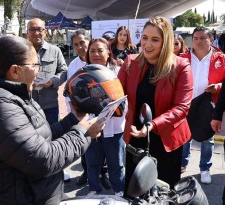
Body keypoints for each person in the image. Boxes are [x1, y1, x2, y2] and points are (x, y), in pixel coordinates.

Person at [0, 35, 104, 205]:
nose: (39, 71)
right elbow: (42, 160)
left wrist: (72, 120)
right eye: (35, 65)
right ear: (15, 71)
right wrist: (84, 133)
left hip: (38, 194)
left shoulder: (14, 94)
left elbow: (40, 138)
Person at [118, 16, 193, 193]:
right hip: (136, 137)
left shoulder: (181, 66)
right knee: (135, 191)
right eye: (144, 38)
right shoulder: (130, 62)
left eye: (155, 39)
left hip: (166, 140)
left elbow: (182, 107)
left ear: (166, 41)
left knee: (164, 193)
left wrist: (152, 125)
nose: (147, 44)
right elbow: (116, 96)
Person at [180, 26, 225, 184]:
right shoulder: (183, 58)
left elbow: (224, 83)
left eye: (202, 38)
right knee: (185, 136)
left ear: (211, 40)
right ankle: (182, 164)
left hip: (209, 104)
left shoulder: (221, 59)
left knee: (208, 139)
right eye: (195, 39)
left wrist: (217, 87)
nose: (198, 42)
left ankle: (205, 168)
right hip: (186, 103)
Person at [66, 30, 111, 189]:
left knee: (107, 150)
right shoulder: (73, 65)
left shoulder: (109, 65)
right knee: (88, 152)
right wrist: (74, 116)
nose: (79, 47)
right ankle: (88, 174)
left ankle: (104, 174)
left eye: (82, 43)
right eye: (76, 44)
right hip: (86, 117)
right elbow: (70, 92)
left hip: (108, 118)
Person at [84, 37, 126, 195]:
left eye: (100, 50)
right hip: (91, 127)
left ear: (109, 52)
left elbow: (125, 99)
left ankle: (119, 191)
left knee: (116, 164)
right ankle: (93, 189)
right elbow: (72, 98)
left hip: (114, 128)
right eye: (92, 50)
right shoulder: (83, 73)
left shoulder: (118, 72)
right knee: (92, 162)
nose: (96, 54)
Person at [26, 18, 67, 125]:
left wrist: (53, 81)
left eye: (39, 29)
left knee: (52, 135)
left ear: (45, 32)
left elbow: (64, 71)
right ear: (27, 32)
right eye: (32, 29)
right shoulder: (20, 51)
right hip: (26, 105)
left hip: (50, 105)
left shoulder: (55, 51)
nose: (36, 33)